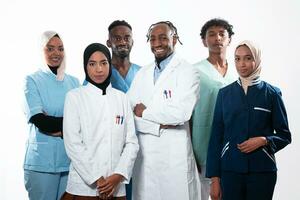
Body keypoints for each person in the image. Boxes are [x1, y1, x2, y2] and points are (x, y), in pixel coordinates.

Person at [206, 40, 291, 200]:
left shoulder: (272, 94)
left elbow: (285, 136)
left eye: (247, 58)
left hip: (262, 172)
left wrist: (264, 140)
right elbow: (216, 138)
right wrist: (214, 179)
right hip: (230, 171)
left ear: (256, 60)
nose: (242, 64)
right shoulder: (224, 94)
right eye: (237, 59)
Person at [128, 21, 201, 200]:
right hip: (146, 159)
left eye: (162, 38)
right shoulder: (142, 74)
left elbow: (182, 113)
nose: (157, 43)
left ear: (174, 39)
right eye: (152, 39)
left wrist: (145, 113)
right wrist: (158, 125)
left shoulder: (188, 71)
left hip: (174, 158)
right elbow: (128, 111)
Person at [61, 43, 139, 200]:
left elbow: (132, 143)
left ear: (109, 65)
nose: (99, 69)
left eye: (104, 63)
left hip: (116, 187)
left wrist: (118, 175)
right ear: (85, 66)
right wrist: (98, 179)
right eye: (92, 64)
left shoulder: (122, 98)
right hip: (84, 187)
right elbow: (73, 144)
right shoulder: (74, 97)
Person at [23, 31, 80, 200]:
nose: (56, 53)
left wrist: (58, 126)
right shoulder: (32, 81)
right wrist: (68, 126)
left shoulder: (74, 82)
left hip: (69, 162)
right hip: (41, 163)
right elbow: (41, 122)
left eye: (60, 49)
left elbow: (82, 122)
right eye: (50, 48)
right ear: (41, 50)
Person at [190, 18, 235, 200]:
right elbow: (188, 113)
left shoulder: (237, 72)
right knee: (202, 195)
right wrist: (191, 152)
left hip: (232, 146)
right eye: (212, 34)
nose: (217, 38)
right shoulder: (195, 71)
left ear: (229, 39)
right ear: (204, 41)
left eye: (222, 34)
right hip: (202, 146)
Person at [106, 20, 141, 94]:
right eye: (117, 39)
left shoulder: (142, 72)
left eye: (127, 38)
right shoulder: (99, 72)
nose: (123, 42)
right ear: (109, 43)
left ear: (132, 42)